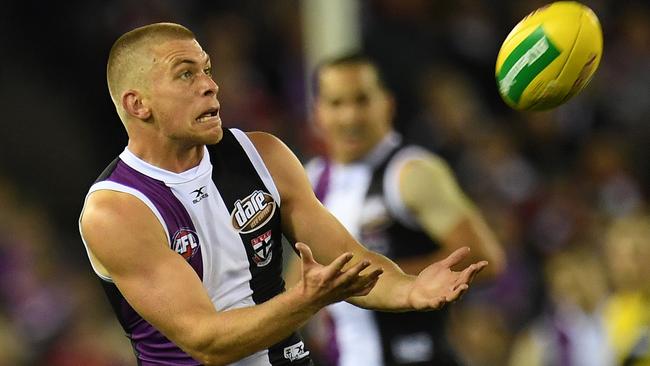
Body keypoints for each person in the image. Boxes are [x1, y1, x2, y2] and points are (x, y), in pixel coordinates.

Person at [77, 23, 487, 366]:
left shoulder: (264, 156)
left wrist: (410, 290)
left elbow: (346, 257)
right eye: (186, 74)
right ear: (138, 104)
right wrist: (306, 301)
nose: (211, 86)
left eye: (207, 69)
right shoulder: (117, 210)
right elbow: (205, 342)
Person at [289, 53, 505, 366]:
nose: (350, 117)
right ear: (318, 113)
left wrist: (396, 282)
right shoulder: (310, 181)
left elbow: (486, 257)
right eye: (336, 103)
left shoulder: (411, 172)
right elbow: (301, 277)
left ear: (386, 104)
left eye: (362, 100)